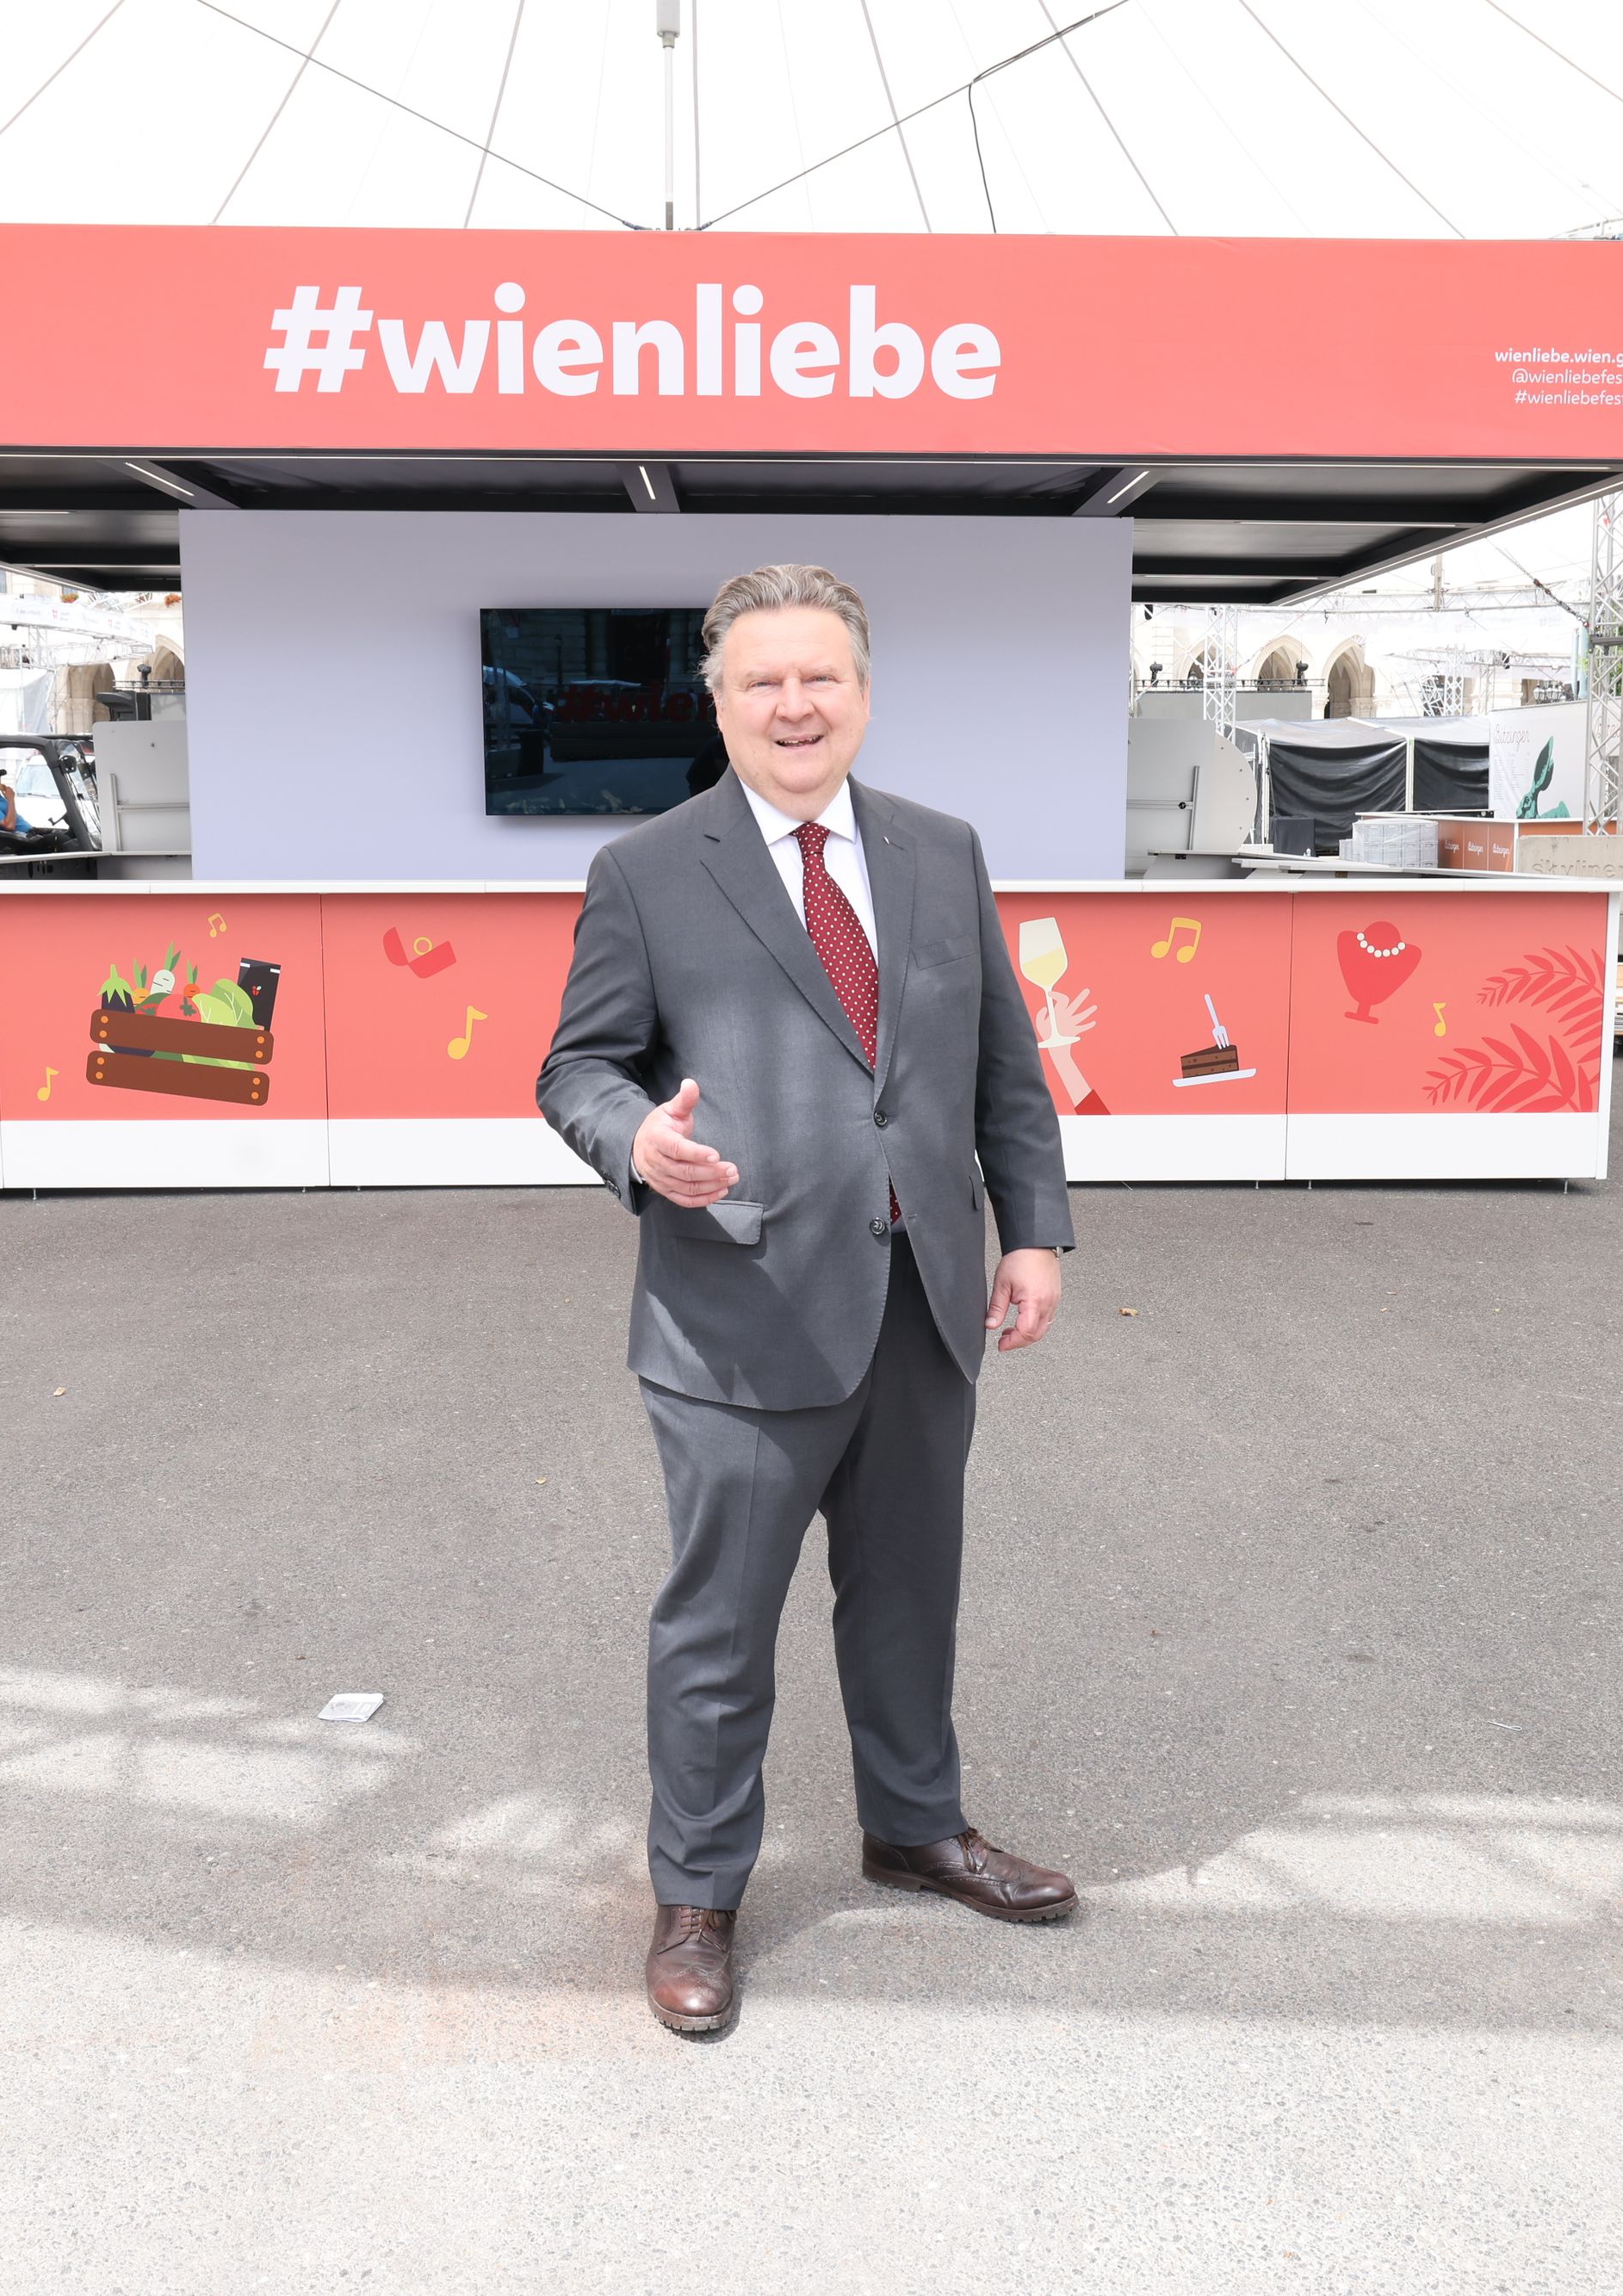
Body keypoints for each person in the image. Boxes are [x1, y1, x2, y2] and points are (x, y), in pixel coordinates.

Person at [538, 563, 1078, 2038]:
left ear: (861, 690)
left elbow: (998, 1069)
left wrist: (1032, 1231)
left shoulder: (939, 851)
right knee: (718, 1624)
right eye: (762, 679)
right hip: (738, 1306)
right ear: (716, 700)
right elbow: (575, 1067)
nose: (794, 703)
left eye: (819, 676)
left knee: (909, 1593)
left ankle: (917, 1826)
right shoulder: (648, 870)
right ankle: (697, 1895)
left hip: (921, 1293)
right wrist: (636, 1145)